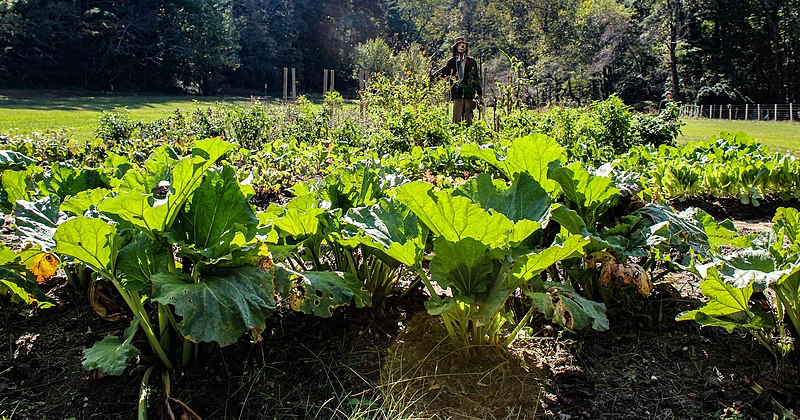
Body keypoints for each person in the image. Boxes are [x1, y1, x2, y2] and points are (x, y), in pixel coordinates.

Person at [433, 37, 483, 125]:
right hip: (457, 91)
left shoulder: (472, 62)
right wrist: (432, 77)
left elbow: (476, 77)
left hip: (469, 91)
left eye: (463, 45)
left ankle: (470, 133)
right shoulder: (452, 61)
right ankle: (456, 134)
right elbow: (444, 71)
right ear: (455, 47)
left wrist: (479, 93)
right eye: (459, 45)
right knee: (457, 115)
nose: (462, 46)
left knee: (469, 115)